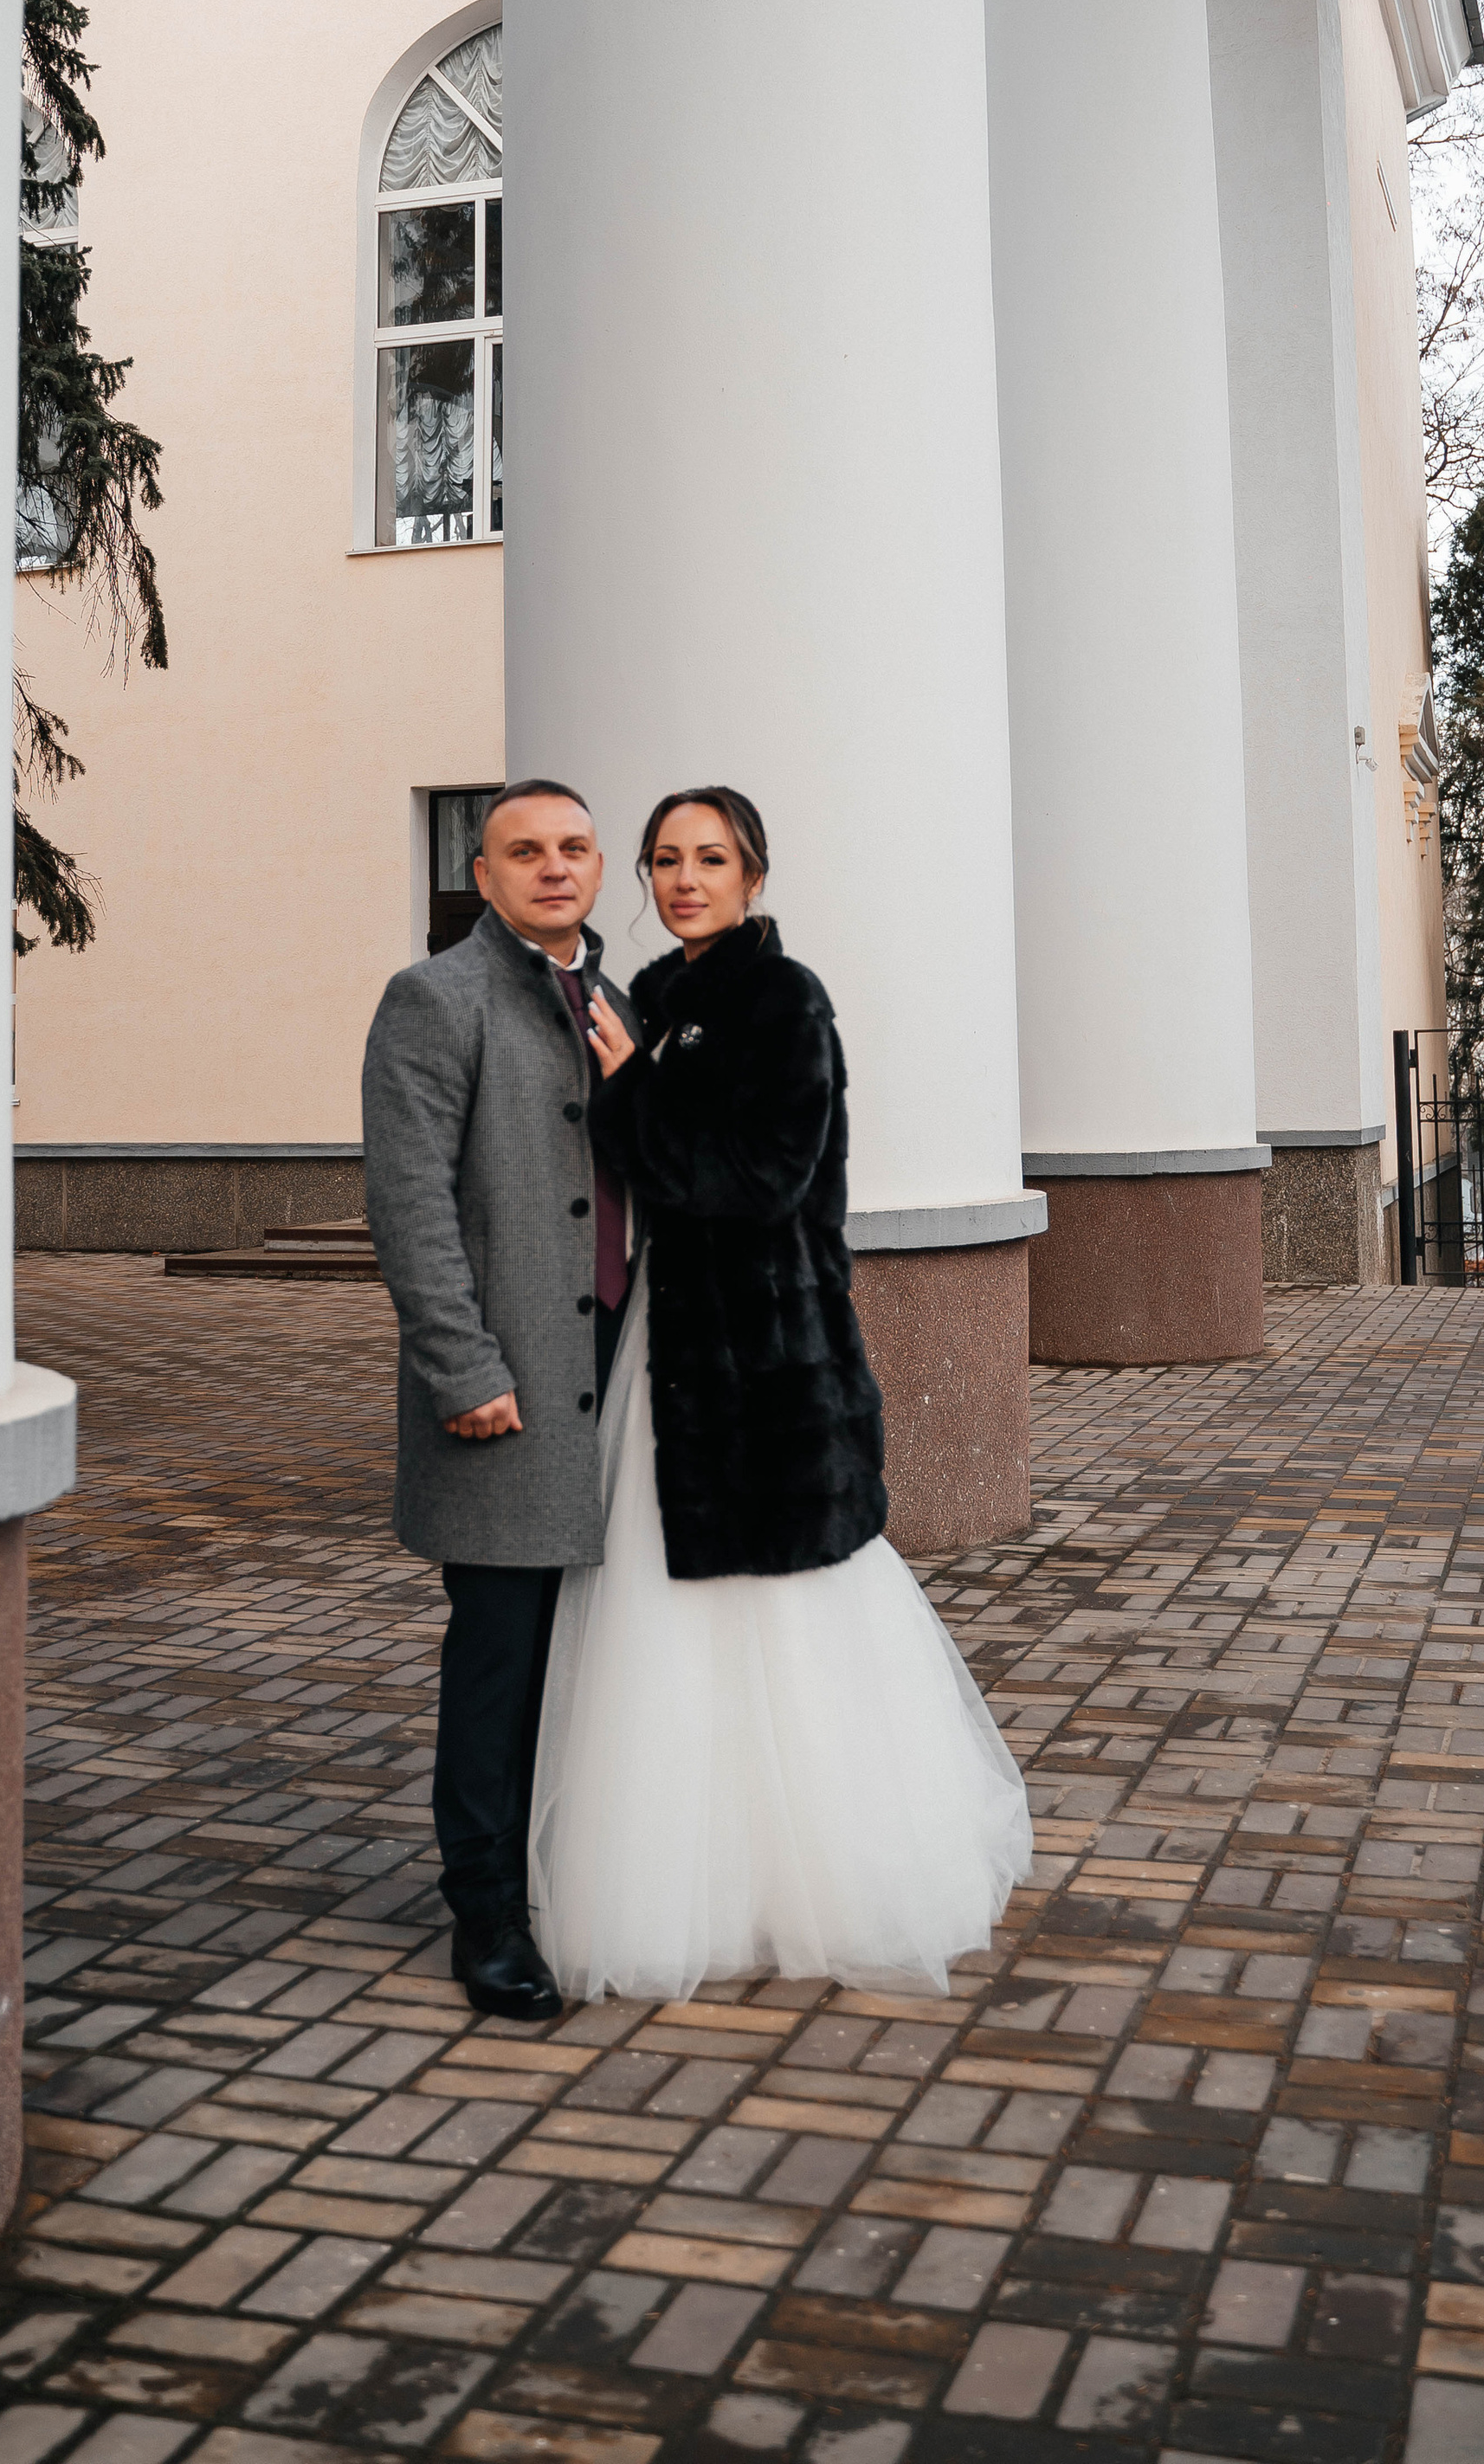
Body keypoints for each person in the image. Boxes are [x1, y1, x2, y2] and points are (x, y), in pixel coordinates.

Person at [528, 784, 1031, 1997]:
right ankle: (701, 1879)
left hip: (765, 1357)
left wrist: (634, 1090)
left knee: (791, 1614)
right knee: (668, 1614)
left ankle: (828, 1876)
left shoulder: (781, 1000)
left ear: (754, 876)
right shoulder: (653, 1000)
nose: (683, 879)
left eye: (709, 858)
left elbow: (759, 1177)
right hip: (671, 1351)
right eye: (664, 860)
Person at [361, 777, 641, 2022]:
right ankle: (486, 1919)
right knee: (500, 1665)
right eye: (523, 850)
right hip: (509, 1395)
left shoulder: (624, 1003)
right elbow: (410, 1203)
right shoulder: (438, 999)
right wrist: (464, 1369)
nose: (552, 867)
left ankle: (571, 1877)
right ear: (482, 875)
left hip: (621, 1392)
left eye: (574, 847)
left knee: (595, 1658)